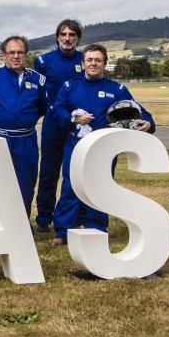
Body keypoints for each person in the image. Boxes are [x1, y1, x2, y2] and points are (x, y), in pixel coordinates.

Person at [50, 44, 154, 246]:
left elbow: (139, 112)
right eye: (89, 60)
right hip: (75, 145)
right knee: (70, 187)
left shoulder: (117, 89)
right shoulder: (70, 86)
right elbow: (57, 111)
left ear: (105, 64)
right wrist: (73, 119)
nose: (93, 63)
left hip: (104, 149)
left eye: (98, 60)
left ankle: (96, 226)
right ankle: (63, 231)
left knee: (99, 187)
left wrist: (149, 123)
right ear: (82, 63)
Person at [0, 36, 48, 224]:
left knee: (25, 183)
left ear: (25, 54)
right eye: (12, 52)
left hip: (26, 140)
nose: (16, 56)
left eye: (20, 52)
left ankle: (20, 225)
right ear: (4, 55)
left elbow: (43, 106)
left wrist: (26, 119)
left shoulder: (37, 80)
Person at [34, 19, 84, 234]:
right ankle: (44, 217)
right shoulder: (44, 61)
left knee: (76, 172)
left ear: (78, 38)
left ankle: (75, 216)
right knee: (48, 171)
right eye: (63, 34)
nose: (67, 38)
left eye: (72, 35)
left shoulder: (84, 60)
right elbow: (40, 92)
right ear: (57, 37)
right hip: (53, 122)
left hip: (78, 124)